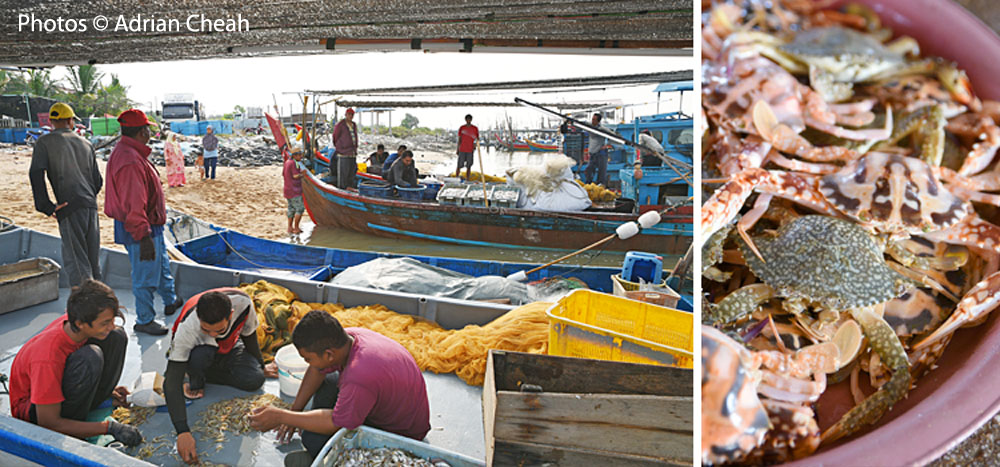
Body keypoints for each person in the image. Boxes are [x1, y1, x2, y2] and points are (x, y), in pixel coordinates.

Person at [248, 311, 430, 464]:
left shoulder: (359, 376)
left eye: (308, 358)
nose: (308, 363)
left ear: (328, 354)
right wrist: (296, 410)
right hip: (390, 402)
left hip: (403, 432)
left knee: (312, 438)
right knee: (327, 380)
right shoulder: (347, 338)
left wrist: (283, 416)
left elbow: (337, 423)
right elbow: (317, 369)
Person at [8, 279, 143, 447]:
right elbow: (48, 423)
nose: (110, 325)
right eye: (105, 323)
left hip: (57, 393)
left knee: (117, 335)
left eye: (111, 319)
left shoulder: (77, 322)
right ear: (80, 324)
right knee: (90, 357)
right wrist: (109, 428)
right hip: (35, 412)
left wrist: (108, 390)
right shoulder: (47, 356)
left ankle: (97, 400)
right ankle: (76, 425)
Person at [164, 288, 274, 465]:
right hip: (199, 353)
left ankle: (208, 375)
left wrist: (261, 366)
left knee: (255, 379)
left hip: (229, 347)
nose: (213, 334)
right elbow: (170, 383)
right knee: (200, 357)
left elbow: (249, 335)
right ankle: (193, 375)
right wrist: (182, 431)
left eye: (219, 329)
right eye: (206, 329)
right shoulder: (188, 328)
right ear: (199, 318)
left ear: (230, 314)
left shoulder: (243, 304)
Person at [104, 109, 182, 336]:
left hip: (150, 225)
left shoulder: (132, 153)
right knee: (145, 274)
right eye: (147, 128)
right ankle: (145, 319)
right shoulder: (129, 160)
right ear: (141, 132)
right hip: (139, 227)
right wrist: (143, 235)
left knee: (162, 266)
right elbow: (133, 203)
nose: (149, 132)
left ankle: (170, 300)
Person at [28, 102, 103, 286]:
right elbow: (98, 181)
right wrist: (87, 198)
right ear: (70, 121)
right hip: (90, 207)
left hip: (68, 208)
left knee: (76, 262)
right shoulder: (85, 143)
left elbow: (36, 173)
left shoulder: (44, 142)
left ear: (52, 121)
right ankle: (100, 302)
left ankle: (85, 305)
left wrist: (47, 207)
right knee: (93, 259)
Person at [332, 108, 358, 189]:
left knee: (351, 173)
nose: (350, 116)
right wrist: (340, 148)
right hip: (343, 153)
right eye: (349, 114)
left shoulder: (354, 125)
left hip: (352, 153)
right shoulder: (340, 125)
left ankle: (350, 188)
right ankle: (342, 189)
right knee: (343, 174)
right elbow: (335, 137)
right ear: (346, 115)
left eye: (352, 114)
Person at [584, 113, 612, 186]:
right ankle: (589, 185)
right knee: (588, 170)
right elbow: (584, 124)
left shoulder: (602, 130)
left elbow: (613, 136)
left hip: (600, 154)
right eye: (592, 119)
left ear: (598, 121)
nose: (592, 121)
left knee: (601, 173)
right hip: (592, 154)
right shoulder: (590, 127)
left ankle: (600, 186)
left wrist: (607, 145)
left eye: (594, 120)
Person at [284, 150, 305, 235]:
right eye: (300, 156)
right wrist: (302, 174)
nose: (301, 157)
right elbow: (295, 175)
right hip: (294, 190)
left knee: (291, 208)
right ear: (295, 156)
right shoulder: (294, 163)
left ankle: (290, 227)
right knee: (299, 209)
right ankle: (296, 228)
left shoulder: (287, 162)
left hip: (287, 189)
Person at [455, 114, 478, 179]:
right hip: (462, 149)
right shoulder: (462, 128)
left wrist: (475, 145)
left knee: (469, 165)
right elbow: (459, 139)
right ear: (465, 120)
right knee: (459, 165)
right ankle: (456, 177)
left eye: (469, 119)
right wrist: (457, 149)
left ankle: (467, 178)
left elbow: (477, 139)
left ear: (471, 120)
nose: (468, 121)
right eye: (467, 119)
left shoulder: (475, 128)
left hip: (470, 150)